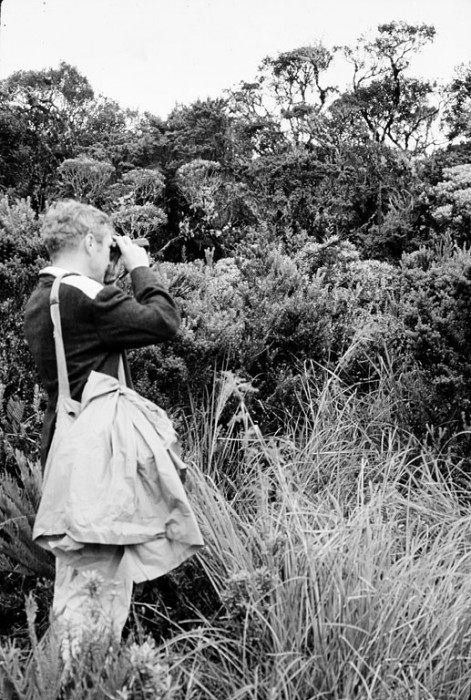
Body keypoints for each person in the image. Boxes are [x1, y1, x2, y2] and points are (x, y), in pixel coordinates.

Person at [24, 199, 203, 640]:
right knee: (95, 590)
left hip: (66, 446)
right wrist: (141, 269)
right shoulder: (85, 296)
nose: (109, 259)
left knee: (83, 581)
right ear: (89, 241)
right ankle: (74, 683)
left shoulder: (41, 295)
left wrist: (110, 276)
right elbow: (164, 321)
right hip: (99, 455)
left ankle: (72, 680)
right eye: (106, 248)